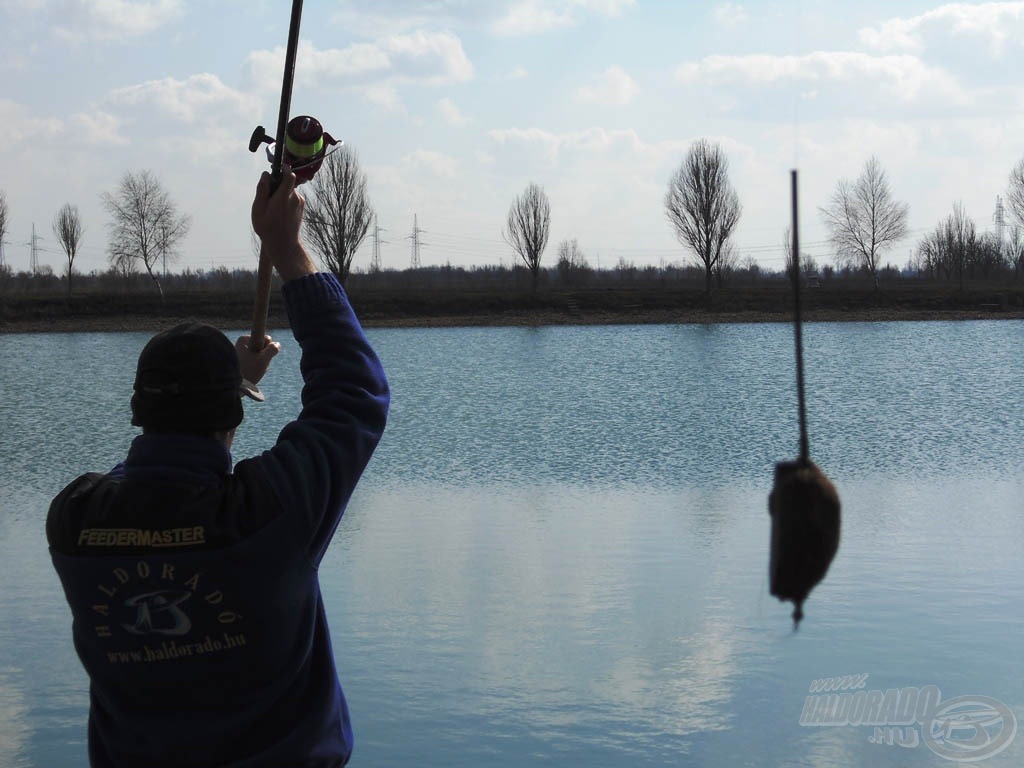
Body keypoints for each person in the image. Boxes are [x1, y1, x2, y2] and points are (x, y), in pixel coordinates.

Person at [46, 170, 390, 767]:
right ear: (227, 415)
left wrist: (226, 391)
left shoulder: (76, 523)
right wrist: (287, 250)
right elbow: (354, 393)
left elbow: (147, 480)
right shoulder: (269, 515)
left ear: (140, 412)